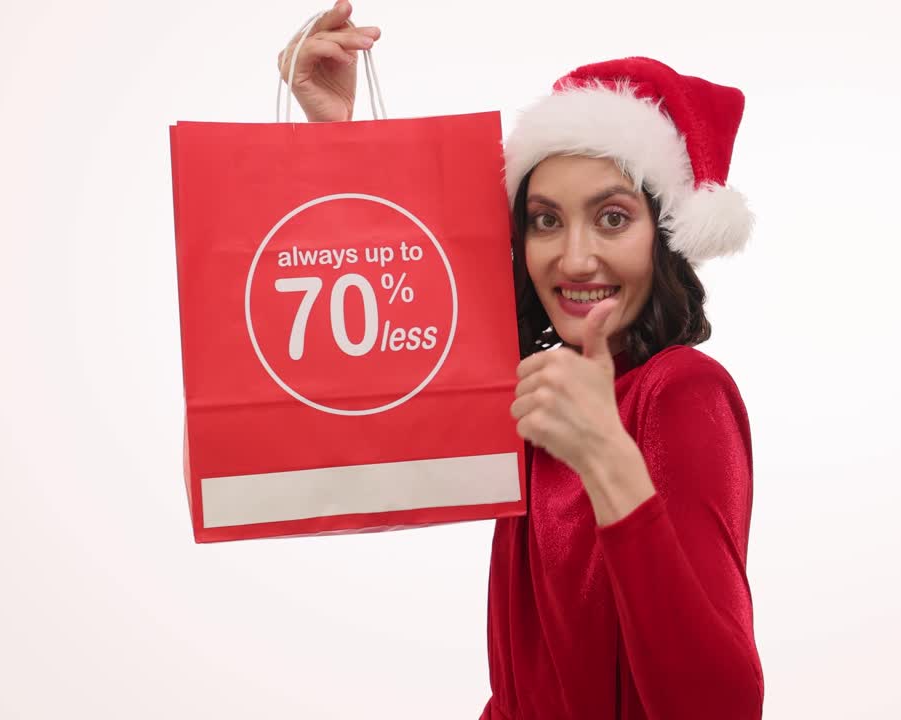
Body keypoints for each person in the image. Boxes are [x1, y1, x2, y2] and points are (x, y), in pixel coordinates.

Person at [279, 3, 764, 717]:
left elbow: (720, 708)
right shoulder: (540, 395)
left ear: (666, 236)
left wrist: (608, 458)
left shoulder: (681, 391)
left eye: (612, 217)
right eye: (545, 220)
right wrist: (339, 142)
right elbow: (388, 350)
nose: (572, 257)